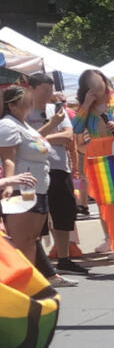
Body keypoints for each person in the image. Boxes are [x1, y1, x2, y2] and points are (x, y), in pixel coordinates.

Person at [72, 69, 114, 259]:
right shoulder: (87, 107)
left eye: (98, 84)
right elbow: (76, 128)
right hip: (98, 155)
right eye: (91, 86)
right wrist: (86, 104)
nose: (97, 89)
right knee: (108, 201)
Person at [25, 74, 87, 276]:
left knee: (64, 214)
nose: (48, 94)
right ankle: (38, 262)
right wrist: (52, 129)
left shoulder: (57, 110)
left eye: (50, 90)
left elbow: (68, 136)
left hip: (60, 168)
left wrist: (43, 137)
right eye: (44, 90)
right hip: (33, 171)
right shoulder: (23, 111)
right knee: (37, 217)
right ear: (31, 89)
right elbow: (27, 140)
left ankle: (64, 258)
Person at [0, 87, 53, 265]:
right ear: (12, 105)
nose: (30, 102)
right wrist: (8, 185)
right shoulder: (7, 125)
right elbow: (8, 159)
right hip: (21, 190)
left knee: (32, 239)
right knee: (22, 240)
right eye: (25, 100)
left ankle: (32, 277)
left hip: (38, 188)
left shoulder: (25, 125)